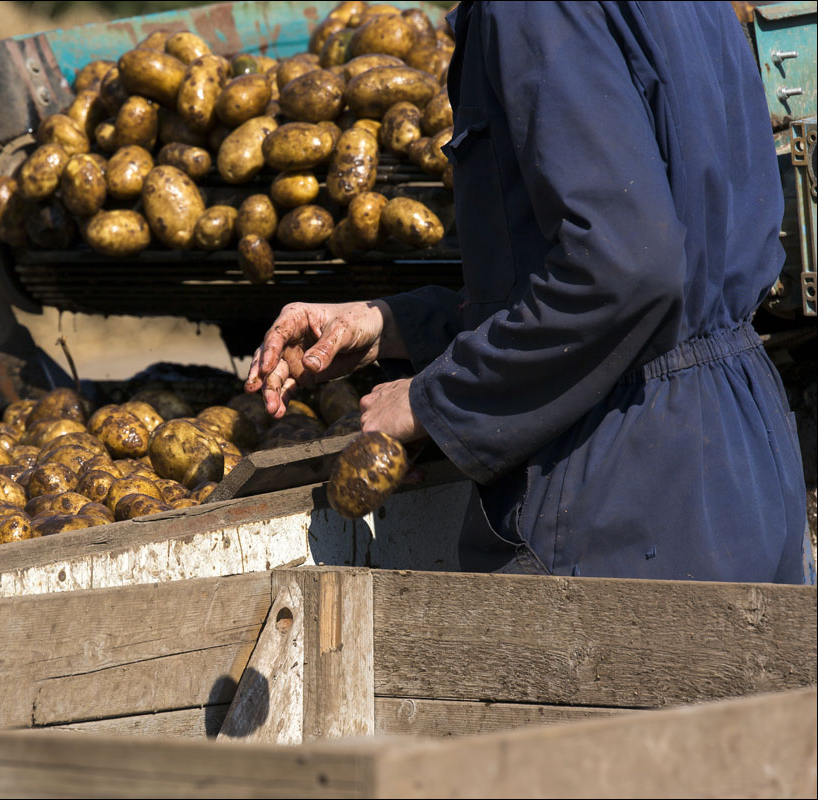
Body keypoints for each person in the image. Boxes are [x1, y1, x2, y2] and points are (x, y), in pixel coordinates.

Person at [245, 1, 811, 583]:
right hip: (744, 455)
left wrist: (432, 401)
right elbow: (668, 275)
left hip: (626, 486)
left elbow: (625, 273)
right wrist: (391, 323)